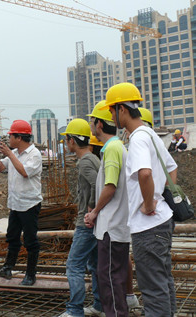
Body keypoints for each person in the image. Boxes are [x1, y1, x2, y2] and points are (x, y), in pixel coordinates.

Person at [103, 82, 178, 316]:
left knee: (153, 289)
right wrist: (159, 195)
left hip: (149, 225)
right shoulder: (150, 134)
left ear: (121, 109)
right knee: (164, 282)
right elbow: (171, 167)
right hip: (163, 221)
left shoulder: (137, 139)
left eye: (112, 111)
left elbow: (145, 173)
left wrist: (148, 203)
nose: (112, 117)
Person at [84, 100, 130, 317]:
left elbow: (110, 186)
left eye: (92, 121)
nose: (91, 125)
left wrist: (94, 212)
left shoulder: (112, 148)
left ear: (99, 124)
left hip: (111, 227)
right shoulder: (118, 146)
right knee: (115, 278)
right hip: (117, 226)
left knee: (109, 280)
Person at [58, 118, 102, 317]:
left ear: (72, 141)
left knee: (74, 265)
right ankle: (100, 306)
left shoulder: (85, 162)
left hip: (86, 223)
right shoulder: (93, 157)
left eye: (67, 140)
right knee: (94, 264)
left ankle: (75, 311)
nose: (66, 144)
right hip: (95, 222)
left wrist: (91, 210)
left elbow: (97, 186)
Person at [0, 120, 42, 286]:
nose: (9, 139)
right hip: (15, 204)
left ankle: (30, 273)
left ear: (19, 137)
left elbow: (24, 172)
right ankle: (8, 267)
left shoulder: (34, 154)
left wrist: (10, 154)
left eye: (11, 136)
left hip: (29, 204)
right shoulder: (15, 154)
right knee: (12, 237)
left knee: (30, 240)